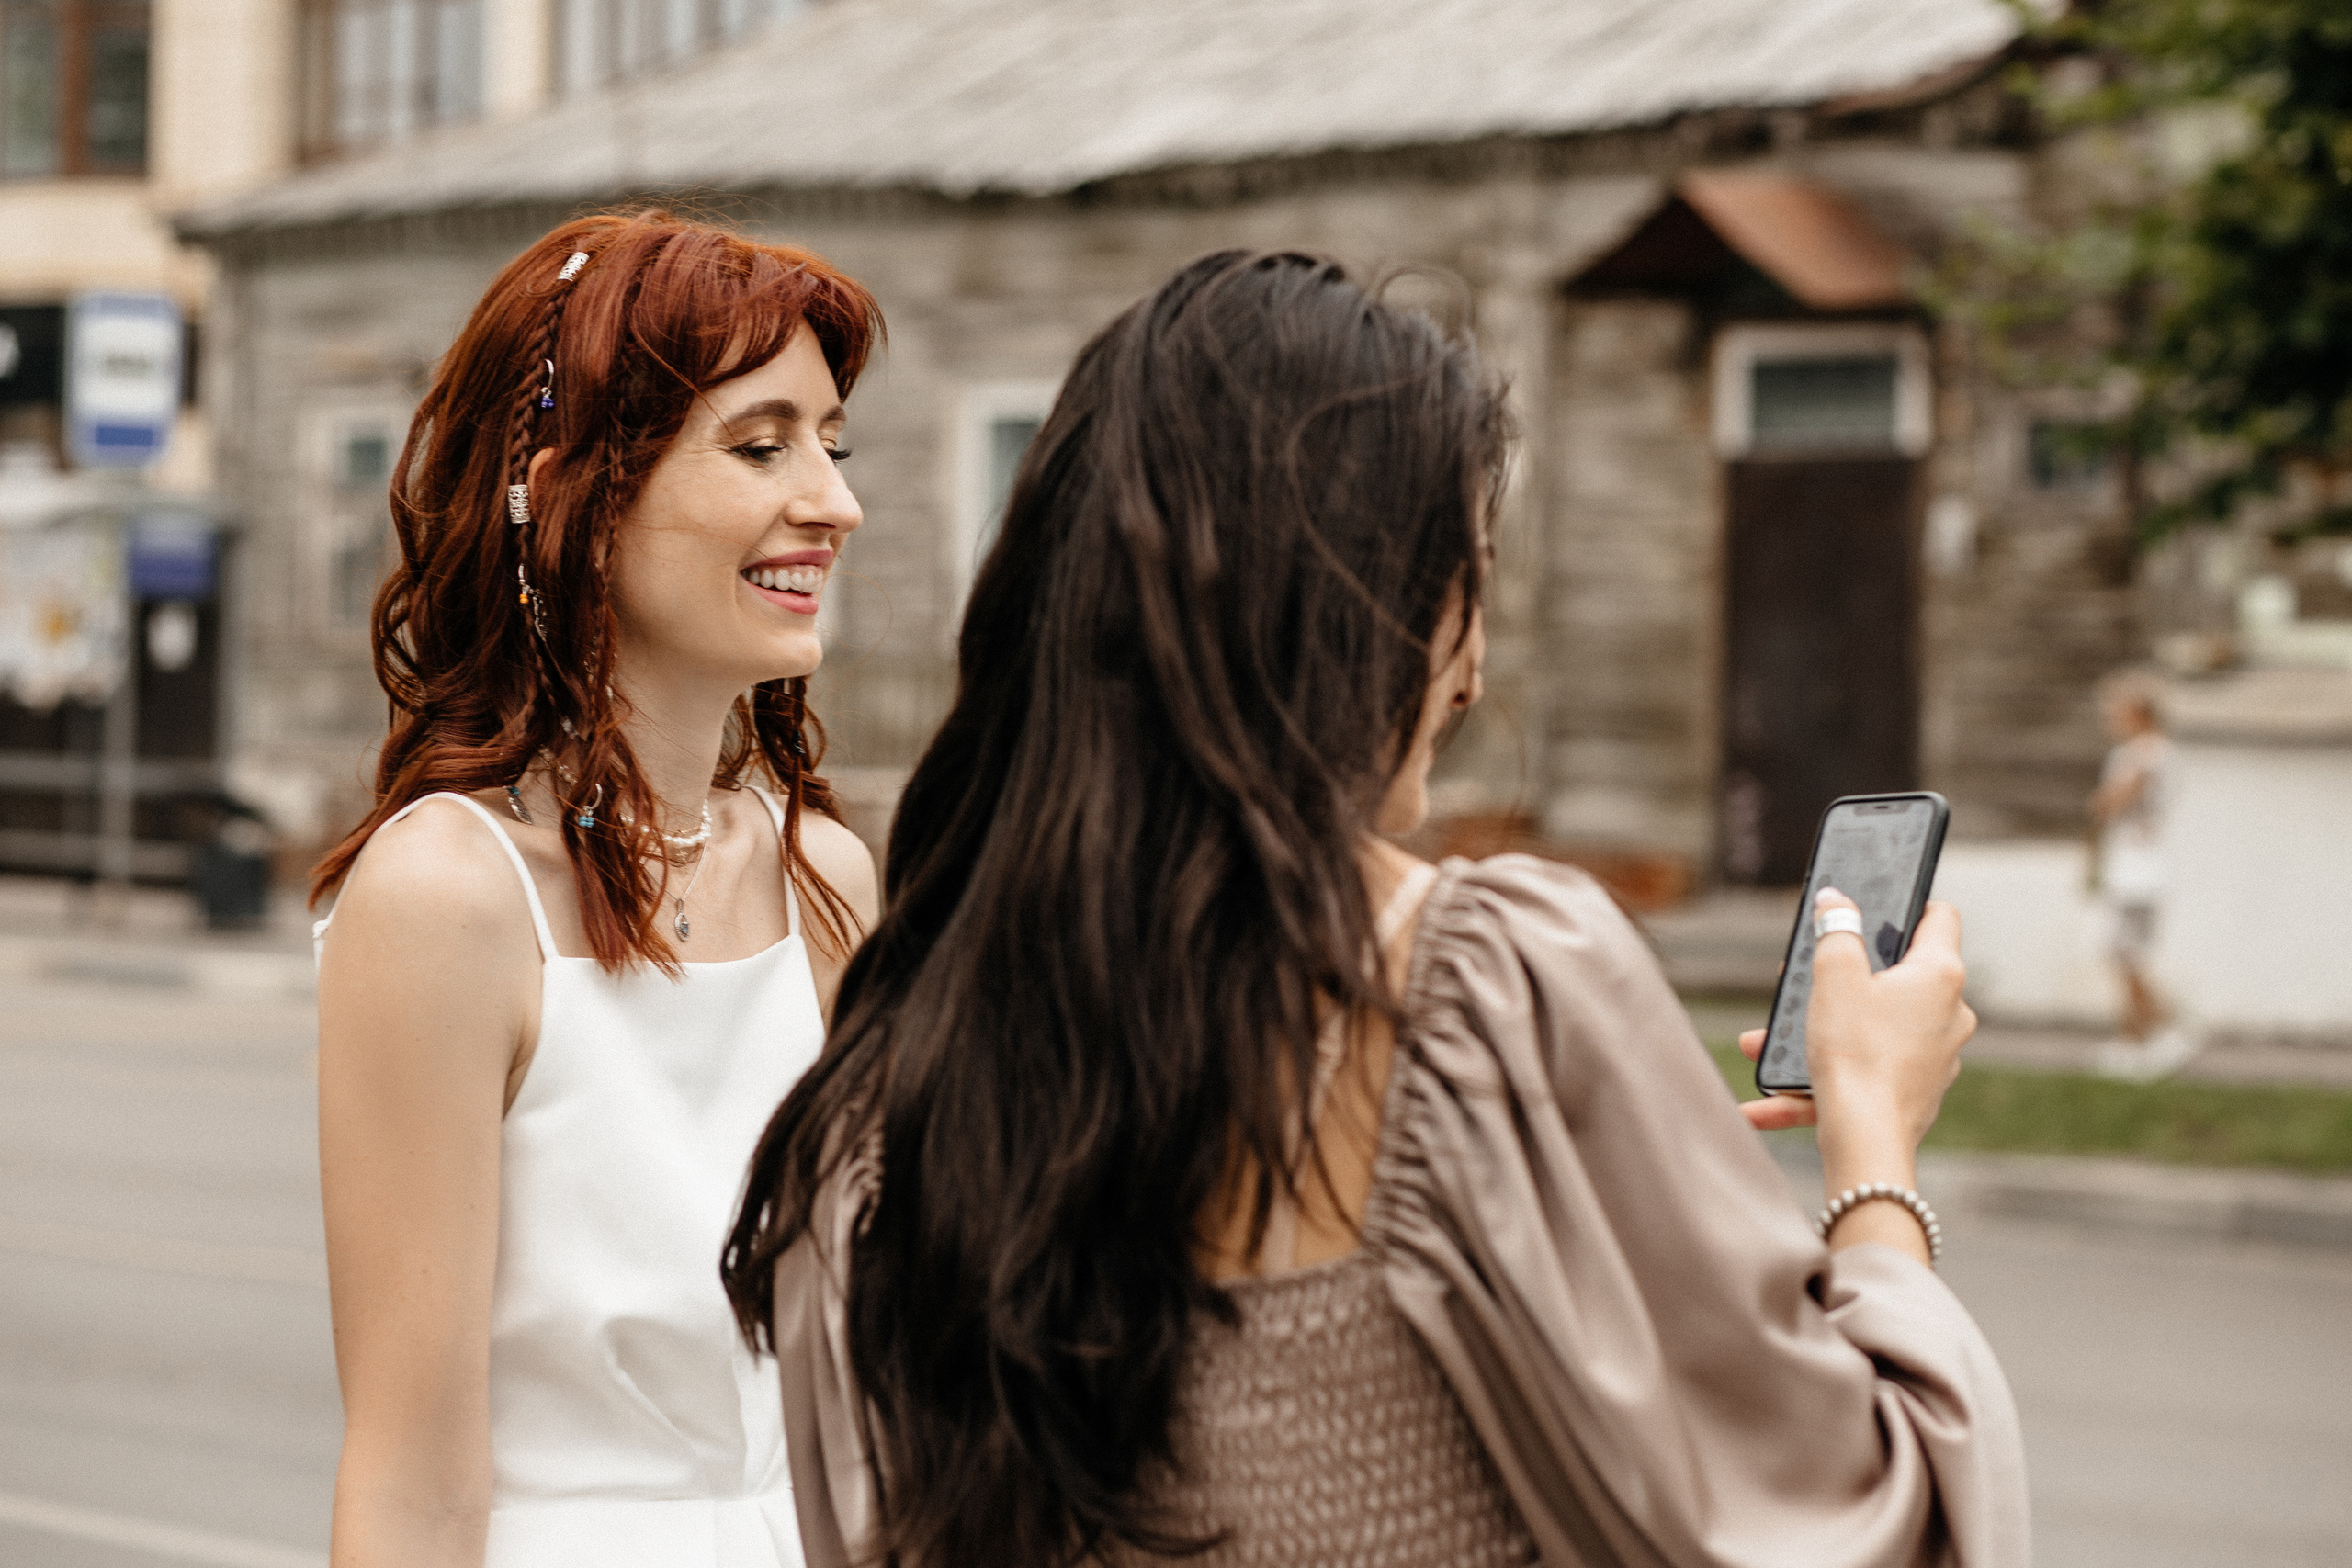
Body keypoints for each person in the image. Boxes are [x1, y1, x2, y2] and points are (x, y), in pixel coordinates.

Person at [722, 252, 2027, 1567]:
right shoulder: (1483, 984)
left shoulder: (868, 1121)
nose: (1471, 666)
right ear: (1376, 607)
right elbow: (1864, 1517)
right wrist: (1873, 1140)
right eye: (1468, 573)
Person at [311, 210, 883, 1568]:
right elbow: (411, 1482)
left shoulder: (828, 876)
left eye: (832, 442)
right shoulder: (447, 894)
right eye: (763, 444)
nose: (834, 500)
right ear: (577, 489)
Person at [2087, 671, 2188, 1079]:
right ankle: (2137, 1035)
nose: (2109, 720)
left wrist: (2107, 797)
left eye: (2115, 711)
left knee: (2127, 955)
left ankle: (2161, 1031)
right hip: (2126, 869)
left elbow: (2108, 804)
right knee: (2123, 955)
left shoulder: (2148, 754)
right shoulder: (2135, 754)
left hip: (2140, 873)